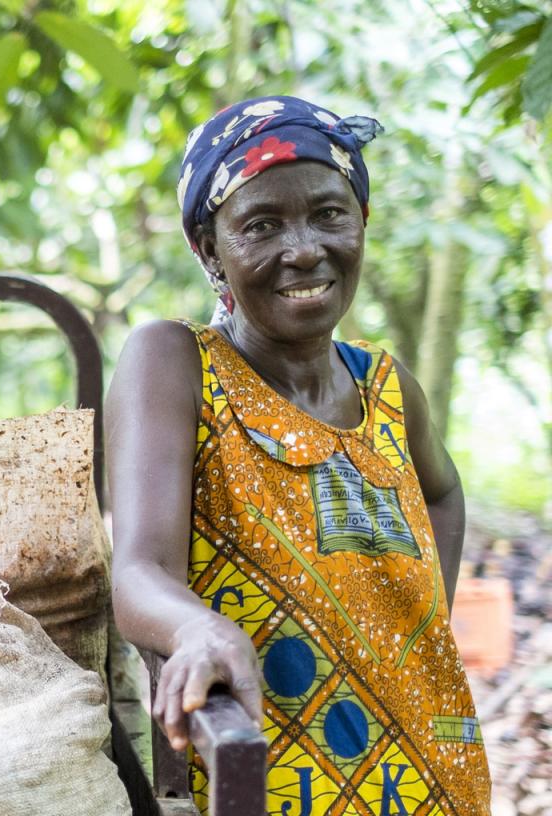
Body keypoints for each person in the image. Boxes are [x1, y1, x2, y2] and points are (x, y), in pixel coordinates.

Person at [107, 95, 491, 815]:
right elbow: (138, 571)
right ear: (208, 249)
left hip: (433, 766)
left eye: (328, 214)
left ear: (362, 222)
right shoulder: (177, 363)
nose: (305, 248)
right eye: (261, 225)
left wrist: (414, 628)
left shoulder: (386, 384)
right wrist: (201, 629)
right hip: (269, 773)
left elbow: (443, 492)